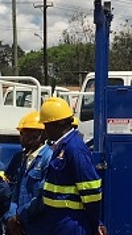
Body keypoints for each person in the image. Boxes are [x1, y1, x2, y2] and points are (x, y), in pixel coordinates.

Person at [39, 97, 106, 235]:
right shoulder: (61, 147)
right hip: (58, 222)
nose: (44, 130)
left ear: (57, 124)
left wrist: (95, 224)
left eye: (46, 125)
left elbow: (91, 192)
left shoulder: (74, 149)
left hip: (72, 224)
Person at [2, 111, 52, 235]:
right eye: (23, 133)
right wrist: (11, 217)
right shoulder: (24, 159)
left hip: (37, 225)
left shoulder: (48, 158)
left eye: (30, 133)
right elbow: (16, 191)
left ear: (43, 135)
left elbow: (42, 198)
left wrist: (19, 217)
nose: (24, 137)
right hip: (17, 225)